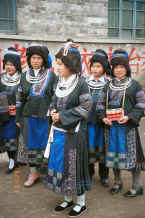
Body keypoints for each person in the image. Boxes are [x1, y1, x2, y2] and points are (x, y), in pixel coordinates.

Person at [44, 42, 92, 217]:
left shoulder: (81, 84)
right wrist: (53, 111)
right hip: (59, 132)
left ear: (70, 64)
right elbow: (53, 101)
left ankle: (81, 202)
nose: (58, 67)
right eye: (57, 63)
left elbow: (86, 107)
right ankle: (67, 198)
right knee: (62, 166)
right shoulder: (61, 82)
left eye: (60, 64)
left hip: (75, 134)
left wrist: (62, 116)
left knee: (74, 166)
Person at [97, 49, 145, 197]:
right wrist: (103, 117)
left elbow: (142, 104)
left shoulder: (135, 85)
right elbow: (99, 104)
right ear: (112, 68)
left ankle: (136, 186)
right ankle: (117, 182)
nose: (118, 70)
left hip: (127, 128)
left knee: (132, 157)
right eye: (116, 67)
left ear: (127, 68)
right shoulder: (107, 86)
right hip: (110, 128)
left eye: (121, 67)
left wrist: (130, 117)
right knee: (113, 156)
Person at [16, 45, 56, 187]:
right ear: (29, 59)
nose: (36, 61)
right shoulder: (24, 76)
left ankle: (46, 172)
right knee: (30, 145)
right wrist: (18, 117)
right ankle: (33, 172)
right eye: (33, 58)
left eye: (39, 58)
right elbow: (19, 98)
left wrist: (53, 111)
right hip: (28, 117)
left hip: (45, 117)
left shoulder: (51, 76)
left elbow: (55, 96)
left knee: (46, 145)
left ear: (44, 59)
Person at [87, 49, 110, 187]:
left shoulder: (108, 83)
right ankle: (89, 174)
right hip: (88, 122)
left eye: (99, 66)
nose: (95, 69)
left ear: (104, 68)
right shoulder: (84, 82)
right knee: (88, 149)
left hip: (103, 123)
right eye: (93, 66)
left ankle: (104, 175)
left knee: (103, 149)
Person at [0, 47, 21, 173]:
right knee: (8, 138)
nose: (9, 67)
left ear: (17, 65)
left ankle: (17, 160)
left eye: (12, 65)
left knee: (17, 139)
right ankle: (12, 161)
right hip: (4, 115)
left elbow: (25, 97)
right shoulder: (1, 79)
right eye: (7, 64)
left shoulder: (23, 79)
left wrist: (17, 108)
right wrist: (5, 108)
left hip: (17, 116)